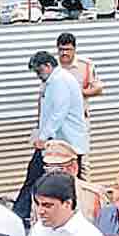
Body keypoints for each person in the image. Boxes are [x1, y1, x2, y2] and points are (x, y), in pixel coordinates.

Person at [15, 51, 90, 223]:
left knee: (60, 183)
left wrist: (43, 137)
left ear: (48, 66)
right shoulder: (54, 81)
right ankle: (23, 212)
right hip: (57, 142)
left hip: (65, 145)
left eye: (39, 71)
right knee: (37, 177)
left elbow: (58, 113)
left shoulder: (59, 81)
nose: (38, 75)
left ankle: (21, 214)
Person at [44, 140, 107, 222]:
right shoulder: (39, 194)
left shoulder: (92, 194)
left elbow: (103, 226)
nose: (53, 175)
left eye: (59, 169)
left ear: (73, 168)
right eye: (48, 169)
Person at [58, 32, 105, 126]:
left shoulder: (85, 65)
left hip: (79, 119)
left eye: (68, 49)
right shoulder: (52, 66)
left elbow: (98, 90)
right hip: (58, 120)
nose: (64, 53)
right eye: (61, 49)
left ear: (74, 49)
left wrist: (79, 92)